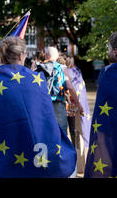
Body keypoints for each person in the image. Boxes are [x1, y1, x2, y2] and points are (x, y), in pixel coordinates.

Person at [0, 37, 77, 177]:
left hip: (4, 154)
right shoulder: (35, 80)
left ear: (2, 56)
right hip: (35, 151)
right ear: (21, 56)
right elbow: (46, 118)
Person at [84, 32, 117, 178]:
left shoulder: (108, 74)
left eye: (109, 48)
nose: (108, 51)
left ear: (115, 52)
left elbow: (103, 121)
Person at [36, 46, 83, 134]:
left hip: (42, 103)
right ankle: (61, 147)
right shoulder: (62, 68)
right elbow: (70, 87)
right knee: (61, 131)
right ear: (57, 55)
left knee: (44, 130)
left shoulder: (38, 68)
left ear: (46, 55)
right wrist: (78, 103)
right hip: (58, 102)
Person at [66, 55, 91, 174]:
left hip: (75, 108)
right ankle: (82, 165)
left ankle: (78, 166)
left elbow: (72, 91)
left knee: (76, 135)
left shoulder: (68, 72)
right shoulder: (77, 71)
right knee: (83, 135)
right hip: (83, 107)